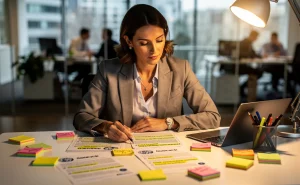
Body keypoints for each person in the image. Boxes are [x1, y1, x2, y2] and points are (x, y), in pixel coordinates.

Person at [73, 4, 221, 142]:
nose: (154, 50)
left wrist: (168, 123)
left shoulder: (181, 69)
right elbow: (82, 117)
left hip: (167, 151)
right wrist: (105, 127)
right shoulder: (108, 70)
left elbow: (212, 116)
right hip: (122, 151)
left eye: (159, 40)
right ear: (129, 41)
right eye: (144, 43)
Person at [221, 30, 263, 97]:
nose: (256, 39)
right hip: (238, 66)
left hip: (241, 65)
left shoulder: (248, 43)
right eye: (256, 37)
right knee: (259, 72)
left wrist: (261, 56)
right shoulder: (245, 43)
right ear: (253, 36)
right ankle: (241, 87)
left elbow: (253, 53)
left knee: (258, 71)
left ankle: (242, 87)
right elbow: (249, 54)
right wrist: (258, 56)